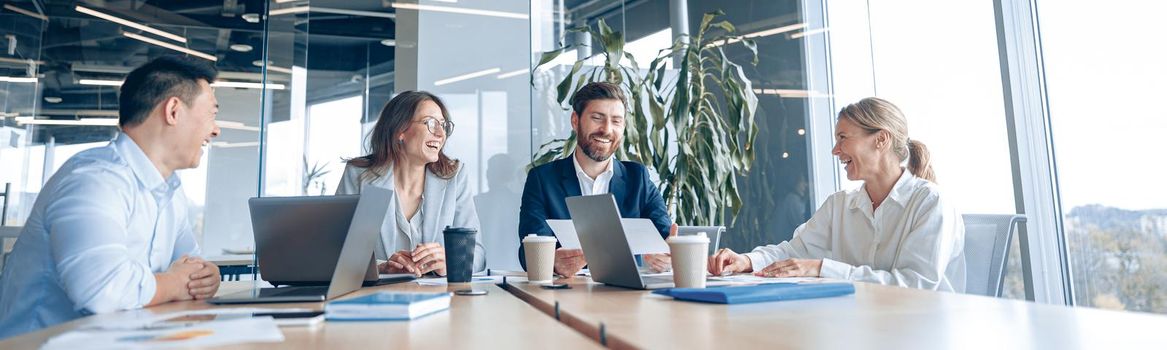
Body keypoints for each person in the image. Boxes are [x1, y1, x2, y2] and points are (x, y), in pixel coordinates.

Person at [0, 56, 223, 338]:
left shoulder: (169, 192)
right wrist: (176, 283)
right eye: (212, 114)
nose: (215, 129)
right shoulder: (94, 180)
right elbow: (102, 291)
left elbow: (191, 267)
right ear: (174, 111)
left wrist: (205, 277)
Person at [708, 97, 966, 292]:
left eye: (843, 138)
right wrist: (746, 260)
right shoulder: (839, 205)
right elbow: (794, 252)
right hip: (862, 328)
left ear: (881, 140)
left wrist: (821, 268)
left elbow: (913, 286)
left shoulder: (931, 203)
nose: (835, 150)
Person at [518, 82, 675, 276]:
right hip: (566, 294)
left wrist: (669, 255)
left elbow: (667, 237)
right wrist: (552, 262)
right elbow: (528, 251)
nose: (607, 129)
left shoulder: (638, 178)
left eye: (616, 121)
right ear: (575, 121)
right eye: (597, 118)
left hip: (625, 297)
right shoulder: (543, 180)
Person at [337, 91, 485, 276]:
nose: (440, 134)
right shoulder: (359, 176)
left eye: (443, 125)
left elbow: (477, 253)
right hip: (376, 298)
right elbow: (336, 251)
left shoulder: (454, 176)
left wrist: (451, 261)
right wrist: (380, 267)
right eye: (430, 123)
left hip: (439, 299)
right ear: (400, 130)